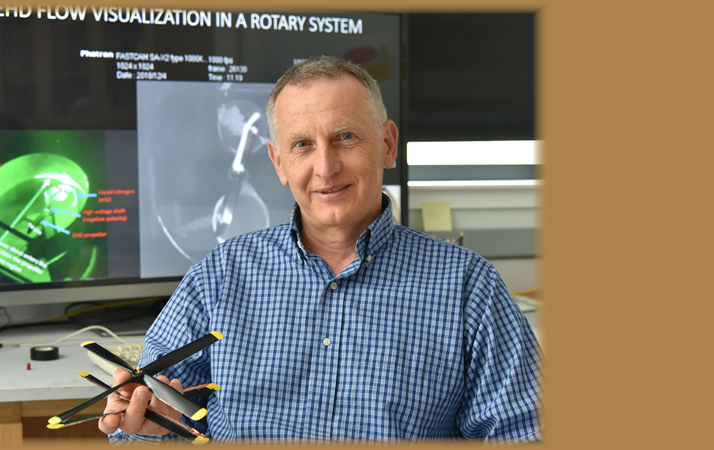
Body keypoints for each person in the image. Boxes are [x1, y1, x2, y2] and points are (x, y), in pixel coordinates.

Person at [99, 56, 541, 442]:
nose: (326, 167)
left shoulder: (468, 287)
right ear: (278, 163)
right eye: (303, 145)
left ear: (387, 145)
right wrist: (149, 429)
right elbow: (151, 420)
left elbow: (527, 432)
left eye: (345, 137)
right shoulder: (217, 277)